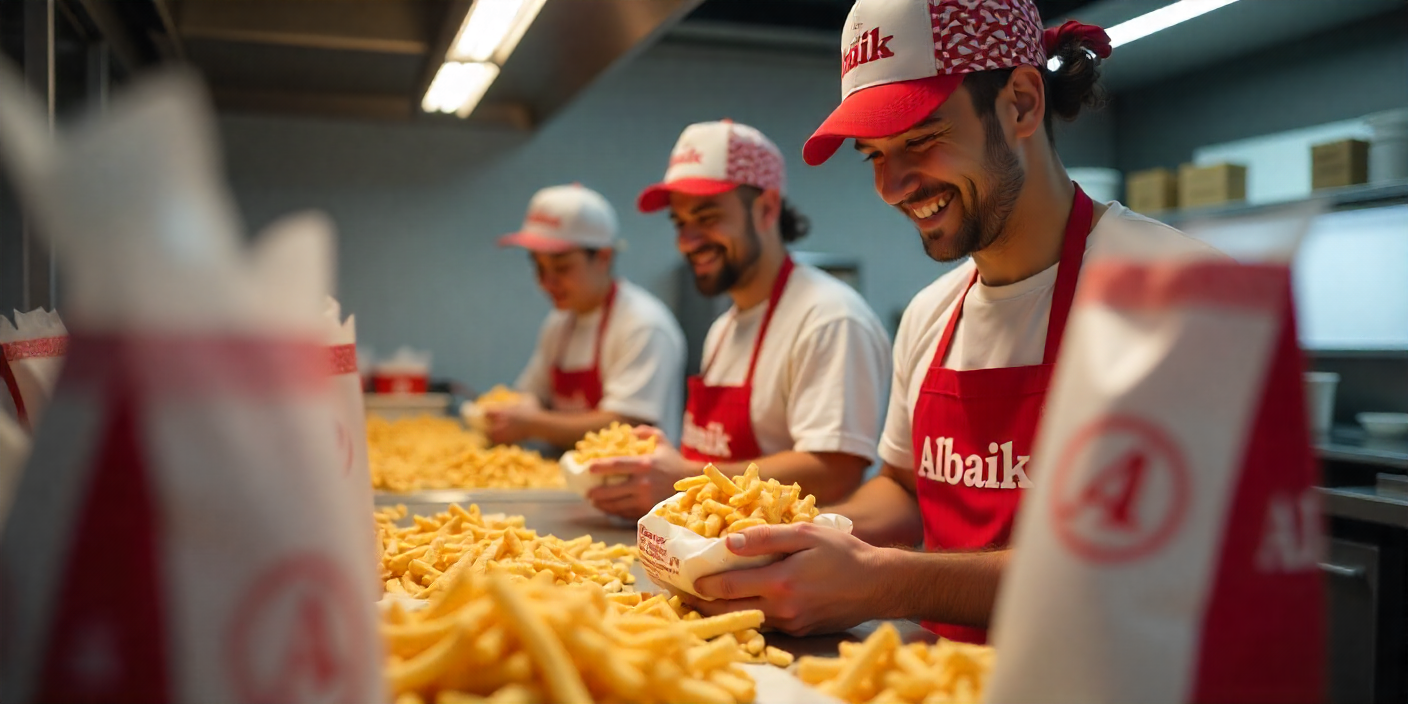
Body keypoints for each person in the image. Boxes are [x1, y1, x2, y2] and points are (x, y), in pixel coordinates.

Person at [682, 0, 1223, 641]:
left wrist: (886, 582)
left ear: (1021, 103)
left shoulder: (1173, 291)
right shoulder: (930, 314)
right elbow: (906, 491)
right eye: (873, 155)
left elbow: (1145, 566)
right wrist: (791, 536)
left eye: (921, 138)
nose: (893, 185)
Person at [586, 120, 892, 520]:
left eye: (708, 217)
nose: (688, 241)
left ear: (766, 208)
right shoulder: (725, 327)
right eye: (680, 223)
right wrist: (659, 465)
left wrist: (690, 477)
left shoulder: (829, 318)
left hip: (791, 570)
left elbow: (835, 472)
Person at [491, 183, 687, 449]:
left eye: (562, 268)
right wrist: (514, 411)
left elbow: (624, 422)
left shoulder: (643, 325)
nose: (546, 283)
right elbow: (532, 393)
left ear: (603, 258)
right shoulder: (560, 324)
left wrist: (531, 424)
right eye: (538, 267)